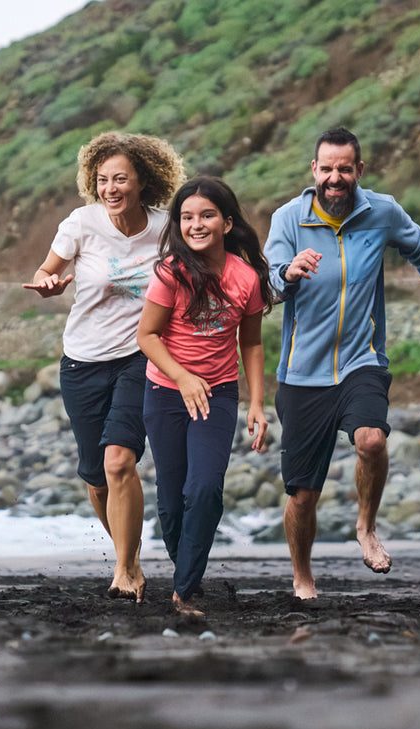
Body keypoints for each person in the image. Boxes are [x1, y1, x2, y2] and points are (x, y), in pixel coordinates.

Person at [264, 127, 420, 599]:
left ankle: (366, 526)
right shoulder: (288, 219)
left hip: (362, 359)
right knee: (303, 495)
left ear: (359, 170)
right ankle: (302, 576)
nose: (335, 178)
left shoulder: (382, 212)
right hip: (302, 373)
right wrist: (288, 272)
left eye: (344, 168)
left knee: (372, 440)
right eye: (327, 169)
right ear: (314, 170)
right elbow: (268, 284)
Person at [22, 131, 185, 603]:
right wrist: (48, 284)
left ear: (143, 181)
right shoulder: (82, 223)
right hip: (83, 362)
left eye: (120, 179)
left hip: (140, 357)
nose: (110, 189)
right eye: (102, 180)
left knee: (120, 461)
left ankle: (125, 568)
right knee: (96, 477)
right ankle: (127, 557)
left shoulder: (166, 229)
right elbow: (45, 271)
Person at [137, 177, 273, 617]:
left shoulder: (245, 277)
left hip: (218, 395)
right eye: (187, 217)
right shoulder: (170, 273)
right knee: (171, 498)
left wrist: (256, 403)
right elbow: (147, 336)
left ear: (227, 223)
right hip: (165, 392)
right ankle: (187, 575)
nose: (196, 224)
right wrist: (182, 378)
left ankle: (184, 589)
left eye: (207, 215)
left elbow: (251, 342)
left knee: (205, 488)